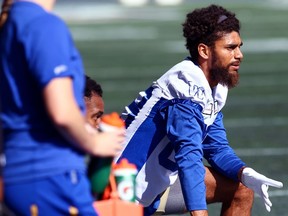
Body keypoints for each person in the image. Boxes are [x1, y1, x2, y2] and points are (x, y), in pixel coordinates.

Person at [115, 4, 283, 216]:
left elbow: (216, 147)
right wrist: (199, 213)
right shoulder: (184, 89)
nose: (239, 55)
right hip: (123, 194)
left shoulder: (212, 85)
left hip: (156, 188)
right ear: (204, 51)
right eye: (230, 48)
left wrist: (245, 173)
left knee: (241, 188)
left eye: (240, 46)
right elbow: (189, 156)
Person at [0, 0, 125, 215]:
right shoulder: (44, 25)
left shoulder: (12, 24)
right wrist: (94, 142)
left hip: (21, 174)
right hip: (51, 176)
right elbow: (62, 112)